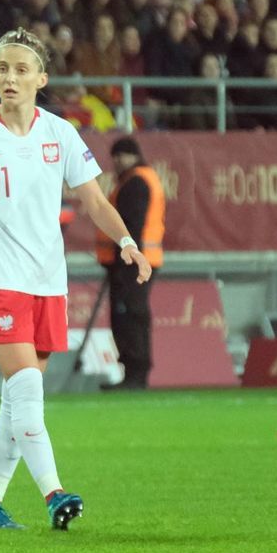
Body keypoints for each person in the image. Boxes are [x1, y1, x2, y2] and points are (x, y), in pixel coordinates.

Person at [0, 27, 152, 531]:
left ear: (41, 78)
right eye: (2, 68)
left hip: (47, 281)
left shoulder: (60, 134)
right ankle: (54, 493)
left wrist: (128, 242)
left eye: (21, 69)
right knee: (26, 389)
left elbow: (93, 200)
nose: (9, 77)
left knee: (15, 398)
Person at [96, 137, 164, 391]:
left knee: (130, 316)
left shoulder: (135, 182)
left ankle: (135, 372)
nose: (116, 161)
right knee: (132, 314)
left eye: (121, 156)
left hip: (133, 262)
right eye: (115, 156)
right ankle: (135, 372)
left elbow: (130, 224)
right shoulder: (141, 178)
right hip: (141, 259)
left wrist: (125, 256)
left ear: (133, 156)